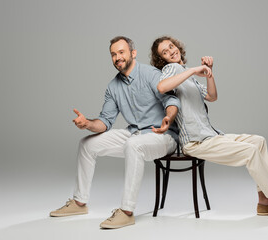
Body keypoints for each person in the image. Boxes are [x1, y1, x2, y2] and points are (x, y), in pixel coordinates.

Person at [150, 36, 268, 221]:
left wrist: (209, 72)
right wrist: (195, 69)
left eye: (171, 46)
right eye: (165, 52)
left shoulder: (188, 77)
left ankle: (264, 202)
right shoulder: (172, 69)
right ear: (163, 60)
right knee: (250, 152)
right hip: (196, 142)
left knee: (259, 142)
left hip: (211, 136)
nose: (171, 51)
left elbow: (212, 96)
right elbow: (162, 87)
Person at [50, 36, 181, 229]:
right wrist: (87, 123)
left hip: (163, 135)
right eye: (113, 54)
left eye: (121, 52)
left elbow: (172, 101)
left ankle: (126, 212)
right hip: (135, 134)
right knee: (87, 144)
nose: (117, 57)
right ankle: (79, 202)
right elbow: (105, 122)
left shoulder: (150, 74)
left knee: (133, 145)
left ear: (132, 53)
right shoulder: (113, 87)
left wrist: (168, 118)